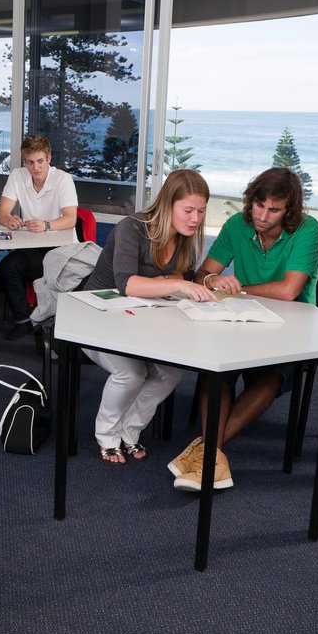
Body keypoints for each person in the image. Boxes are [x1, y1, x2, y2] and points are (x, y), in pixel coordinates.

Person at [169, 167, 318, 492]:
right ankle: (212, 458)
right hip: (243, 315)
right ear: (251, 201)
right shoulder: (237, 225)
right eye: (259, 206)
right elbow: (202, 277)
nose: (263, 216)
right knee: (217, 370)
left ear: (289, 211)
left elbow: (288, 291)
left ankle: (206, 453)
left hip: (293, 322)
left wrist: (237, 290)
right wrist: (215, 281)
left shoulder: (308, 229)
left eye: (274, 209)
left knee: (272, 374)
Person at [80, 169, 216, 464]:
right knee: (131, 373)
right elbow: (127, 284)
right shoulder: (132, 227)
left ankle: (128, 430)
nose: (195, 218)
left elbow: (180, 277)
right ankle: (105, 435)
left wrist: (195, 284)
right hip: (95, 318)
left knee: (171, 372)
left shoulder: (183, 237)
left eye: (201, 211)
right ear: (168, 205)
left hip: (139, 321)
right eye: (189, 210)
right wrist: (179, 284)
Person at [0, 135, 78, 339]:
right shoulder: (17, 175)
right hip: (33, 246)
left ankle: (46, 323)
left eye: (40, 161)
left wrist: (47, 225)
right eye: (30, 162)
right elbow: (2, 212)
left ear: (49, 158)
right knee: (7, 267)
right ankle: (24, 321)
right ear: (25, 162)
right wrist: (9, 220)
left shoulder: (63, 179)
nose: (36, 167)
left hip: (61, 250)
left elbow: (71, 219)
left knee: (28, 269)